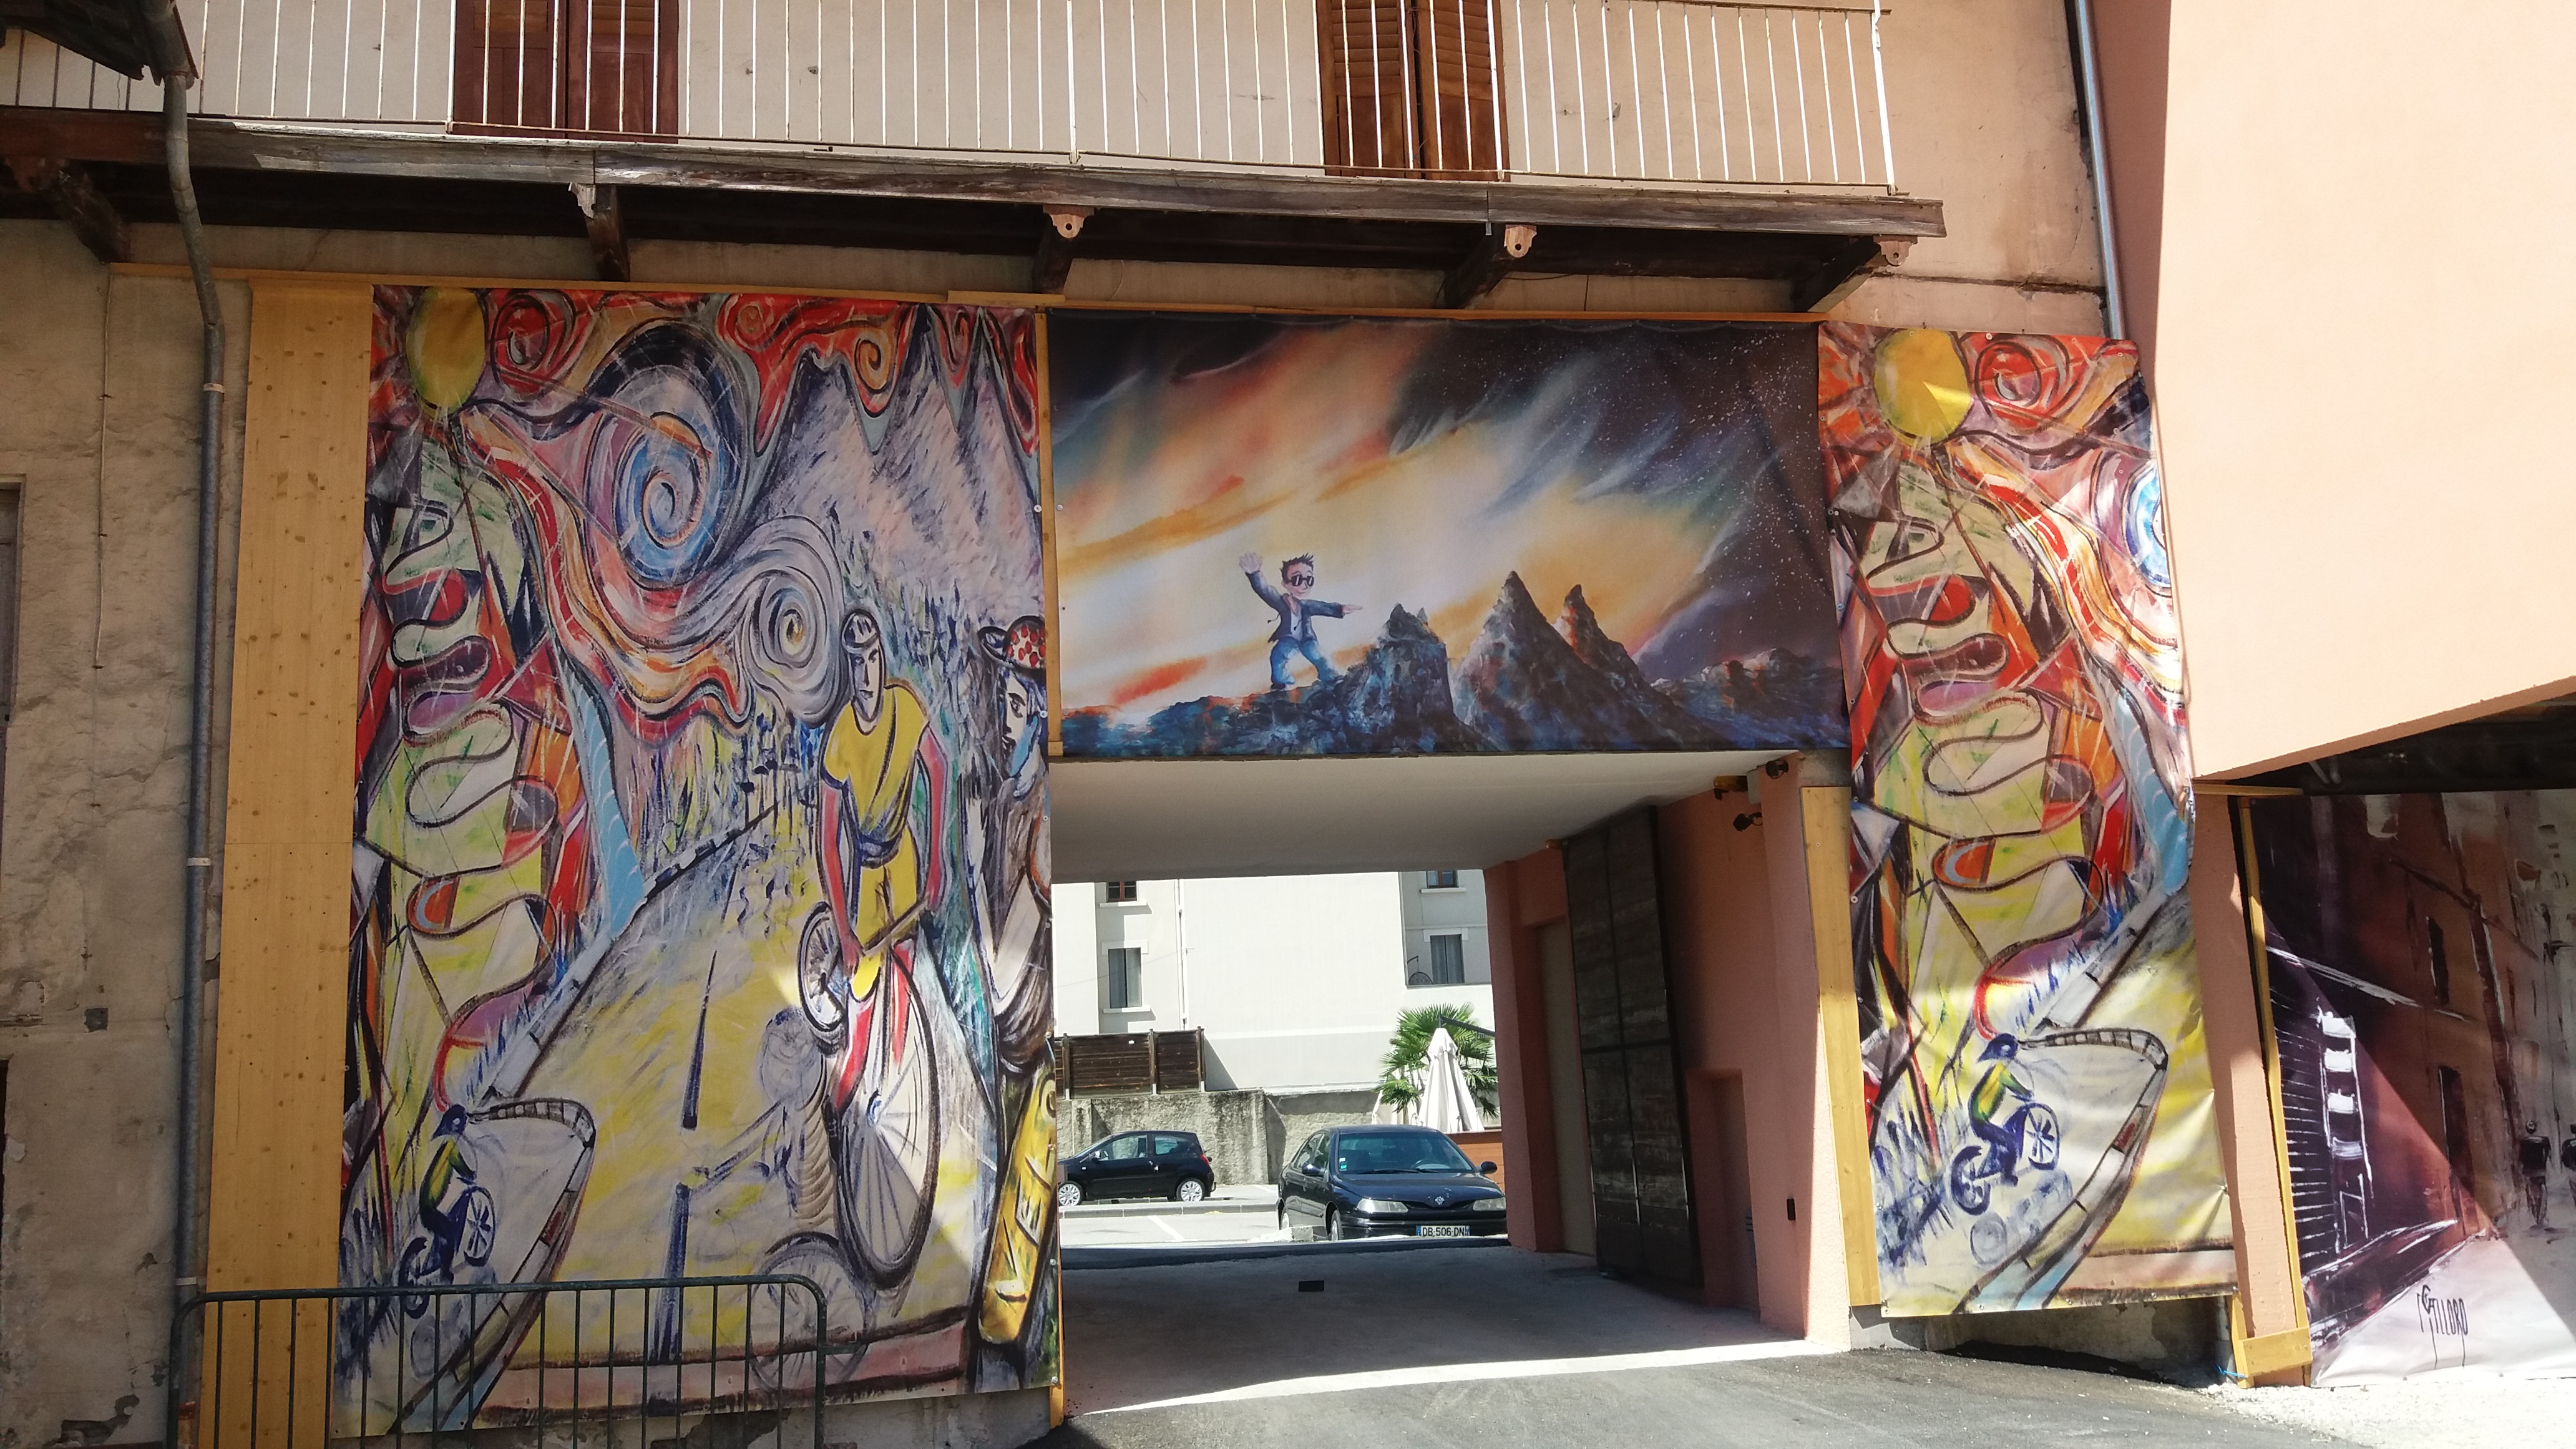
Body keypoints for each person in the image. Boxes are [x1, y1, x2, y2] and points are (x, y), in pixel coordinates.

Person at [816, 607, 949, 1058]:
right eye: (857, 662)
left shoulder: (904, 706)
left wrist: (936, 862)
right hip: (867, 866)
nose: (867, 673)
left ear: (882, 658)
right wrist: (843, 932)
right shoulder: (841, 737)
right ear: (848, 667)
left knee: (905, 960)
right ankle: (855, 1070)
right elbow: (827, 842)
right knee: (863, 978)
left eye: (873, 658)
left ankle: (896, 1057)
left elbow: (938, 767)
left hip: (903, 853)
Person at [1241, 552, 1357, 691]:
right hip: (1289, 639)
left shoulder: (1307, 605)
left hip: (1307, 639)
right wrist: (1255, 575)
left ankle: (1333, 678)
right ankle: (1281, 683)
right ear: (1285, 584)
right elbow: (1265, 591)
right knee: (1278, 656)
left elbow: (1322, 607)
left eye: (1309, 580)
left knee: (1319, 656)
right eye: (1297, 580)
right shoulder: (1281, 603)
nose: (1304, 585)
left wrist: (1340, 609)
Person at [1967, 1035, 2035, 1186]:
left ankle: (1997, 1161)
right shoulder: (1999, 1070)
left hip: (1979, 1118)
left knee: (2005, 1133)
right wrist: (2027, 1093)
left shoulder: (1995, 1069)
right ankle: (2007, 1176)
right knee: (2011, 1142)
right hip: (1981, 1122)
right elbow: (2013, 1084)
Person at [2519, 1120, 2554, 1229]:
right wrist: (2546, 1164)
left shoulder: (2523, 1141)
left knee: (2531, 1192)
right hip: (2540, 1170)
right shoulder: (2544, 1140)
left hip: (2528, 1171)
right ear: (2536, 1129)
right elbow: (2548, 1154)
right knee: (2543, 1191)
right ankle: (2543, 1213)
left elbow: (2520, 1157)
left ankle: (2534, 1212)